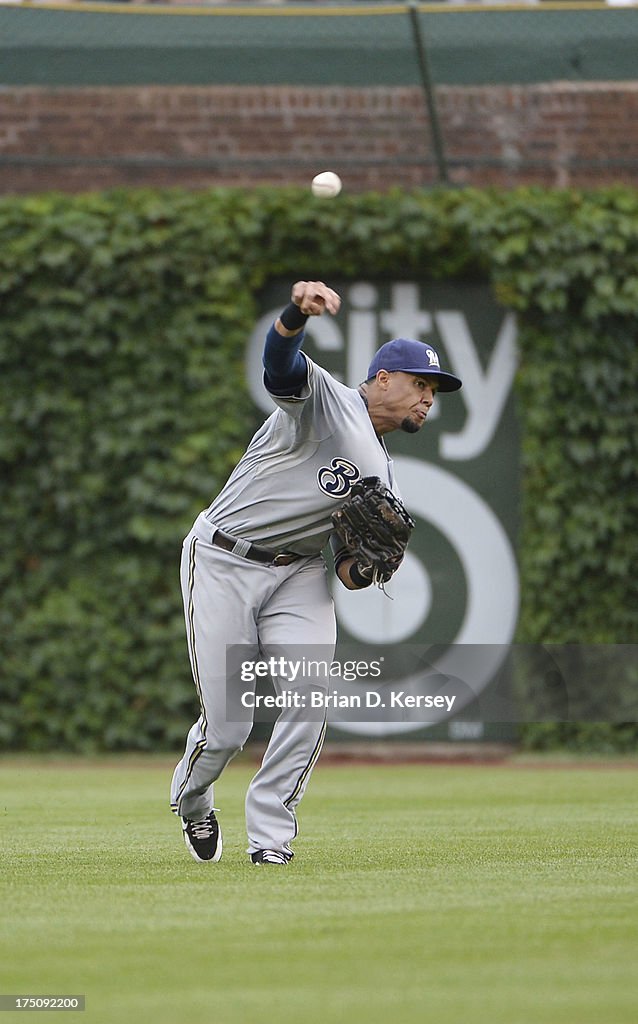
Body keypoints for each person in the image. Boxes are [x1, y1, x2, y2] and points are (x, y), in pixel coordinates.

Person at [170, 280, 462, 866]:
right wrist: (293, 315)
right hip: (225, 557)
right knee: (228, 727)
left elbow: (350, 570)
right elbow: (279, 368)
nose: (427, 399)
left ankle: (270, 840)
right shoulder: (330, 400)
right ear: (383, 378)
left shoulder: (385, 475)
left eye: (433, 390)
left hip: (298, 574)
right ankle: (193, 798)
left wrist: (364, 567)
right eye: (419, 384)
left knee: (309, 698)